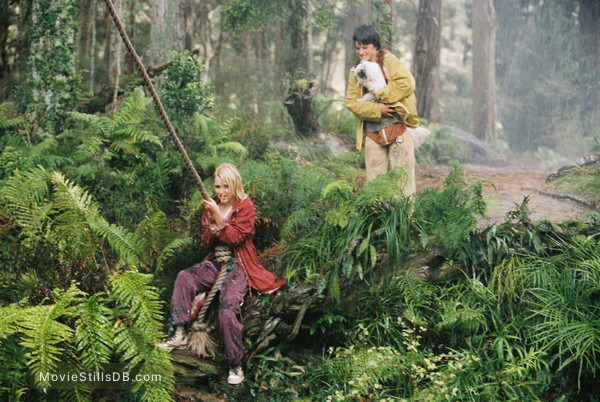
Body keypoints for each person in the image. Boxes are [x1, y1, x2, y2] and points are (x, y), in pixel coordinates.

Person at [158, 163, 286, 385]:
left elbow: (236, 238)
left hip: (240, 266)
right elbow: (207, 243)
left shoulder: (245, 205)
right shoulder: (213, 206)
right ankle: (177, 331)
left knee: (227, 307)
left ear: (234, 185)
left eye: (226, 186)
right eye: (217, 186)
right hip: (216, 262)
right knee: (184, 277)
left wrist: (218, 217)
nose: (221, 192)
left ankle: (235, 363)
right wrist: (210, 221)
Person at [345, 24, 420, 197]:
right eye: (357, 48)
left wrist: (381, 93)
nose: (361, 52)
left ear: (375, 46)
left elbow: (407, 84)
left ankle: (404, 220)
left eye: (365, 47)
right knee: (375, 181)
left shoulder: (390, 61)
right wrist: (376, 109)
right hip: (372, 130)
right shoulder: (356, 70)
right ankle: (378, 219)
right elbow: (351, 102)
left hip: (399, 125)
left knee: (403, 178)